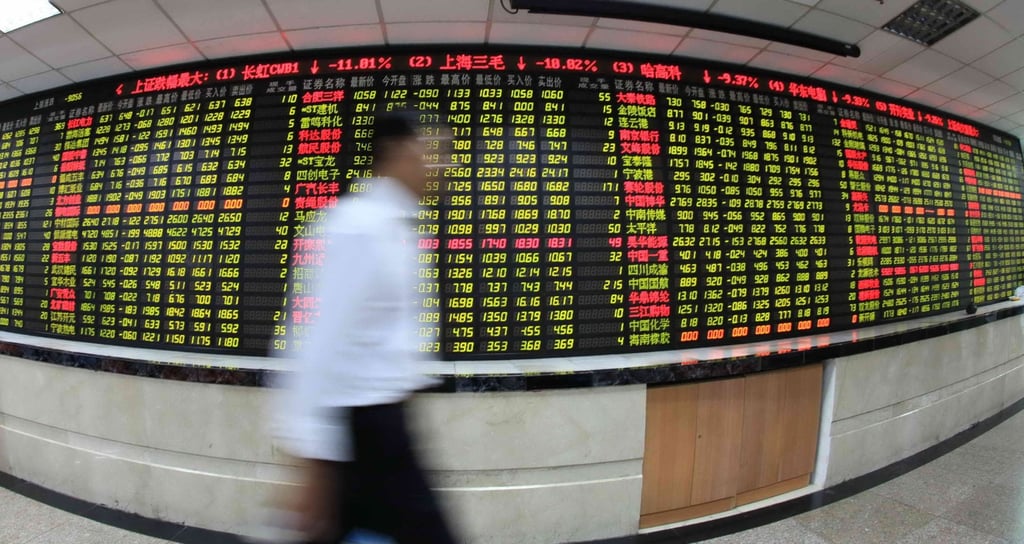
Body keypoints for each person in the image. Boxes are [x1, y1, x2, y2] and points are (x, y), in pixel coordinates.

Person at [271, 111, 456, 544]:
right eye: (433, 151)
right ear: (397, 151)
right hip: (360, 426)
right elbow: (317, 342)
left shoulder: (401, 226)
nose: (444, 164)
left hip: (387, 423)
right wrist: (314, 462)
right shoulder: (356, 228)